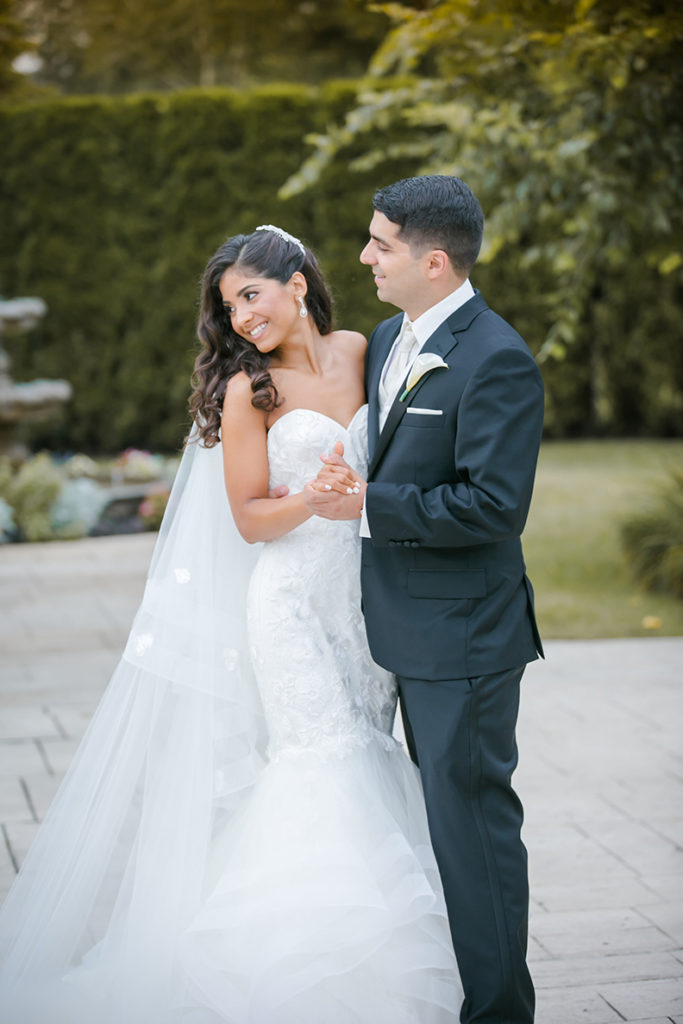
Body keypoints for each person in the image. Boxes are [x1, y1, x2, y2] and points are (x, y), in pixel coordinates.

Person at [0, 225, 463, 1023]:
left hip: (357, 605)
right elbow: (249, 518)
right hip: (286, 606)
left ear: (296, 282)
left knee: (369, 753)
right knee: (322, 760)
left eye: (251, 295)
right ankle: (308, 982)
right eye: (230, 309)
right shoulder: (251, 391)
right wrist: (313, 501)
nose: (244, 319)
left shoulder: (364, 349)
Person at [305, 175, 545, 1024]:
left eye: (380, 244)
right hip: (396, 627)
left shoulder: (496, 358)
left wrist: (369, 504)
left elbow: (492, 507)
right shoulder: (389, 334)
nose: (364, 256)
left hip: (466, 640)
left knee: (471, 834)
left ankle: (497, 1014)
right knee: (427, 829)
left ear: (432, 261)